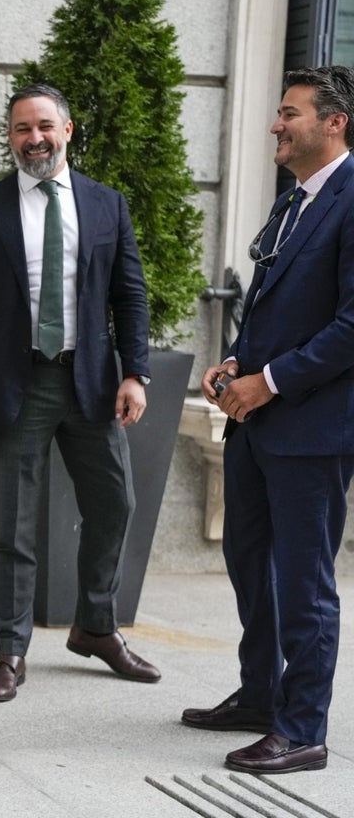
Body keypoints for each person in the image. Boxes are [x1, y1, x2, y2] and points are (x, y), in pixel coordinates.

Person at [0, 84, 160, 702]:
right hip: (17, 384)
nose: (32, 138)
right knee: (13, 523)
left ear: (67, 130)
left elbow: (130, 295)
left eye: (43, 126)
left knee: (115, 504)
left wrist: (136, 372)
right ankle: (10, 649)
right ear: (10, 139)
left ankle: (95, 625)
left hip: (90, 382)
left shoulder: (107, 204)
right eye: (19, 129)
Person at [183, 66, 354, 775]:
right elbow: (272, 308)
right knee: (250, 562)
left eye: (290, 113)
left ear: (334, 122)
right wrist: (233, 361)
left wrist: (271, 381)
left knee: (304, 579)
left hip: (312, 428)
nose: (276, 125)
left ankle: (303, 727)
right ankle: (259, 695)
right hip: (257, 421)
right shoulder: (294, 203)